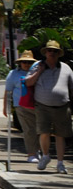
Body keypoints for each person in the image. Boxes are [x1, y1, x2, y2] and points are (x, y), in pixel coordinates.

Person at [25, 40, 73, 174]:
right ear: (45, 52)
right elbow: (28, 82)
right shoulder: (38, 66)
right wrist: (39, 71)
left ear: (59, 54)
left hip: (62, 106)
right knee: (43, 132)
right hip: (42, 105)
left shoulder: (66, 68)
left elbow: (71, 86)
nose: (52, 53)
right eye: (49, 50)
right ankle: (45, 156)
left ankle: (60, 163)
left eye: (55, 51)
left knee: (60, 135)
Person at [4, 50, 40, 162]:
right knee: (28, 130)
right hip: (21, 106)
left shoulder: (38, 73)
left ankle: (38, 150)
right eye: (24, 61)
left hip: (38, 105)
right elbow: (7, 91)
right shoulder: (13, 74)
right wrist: (5, 107)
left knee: (40, 129)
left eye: (29, 62)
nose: (26, 64)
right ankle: (31, 154)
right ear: (20, 63)